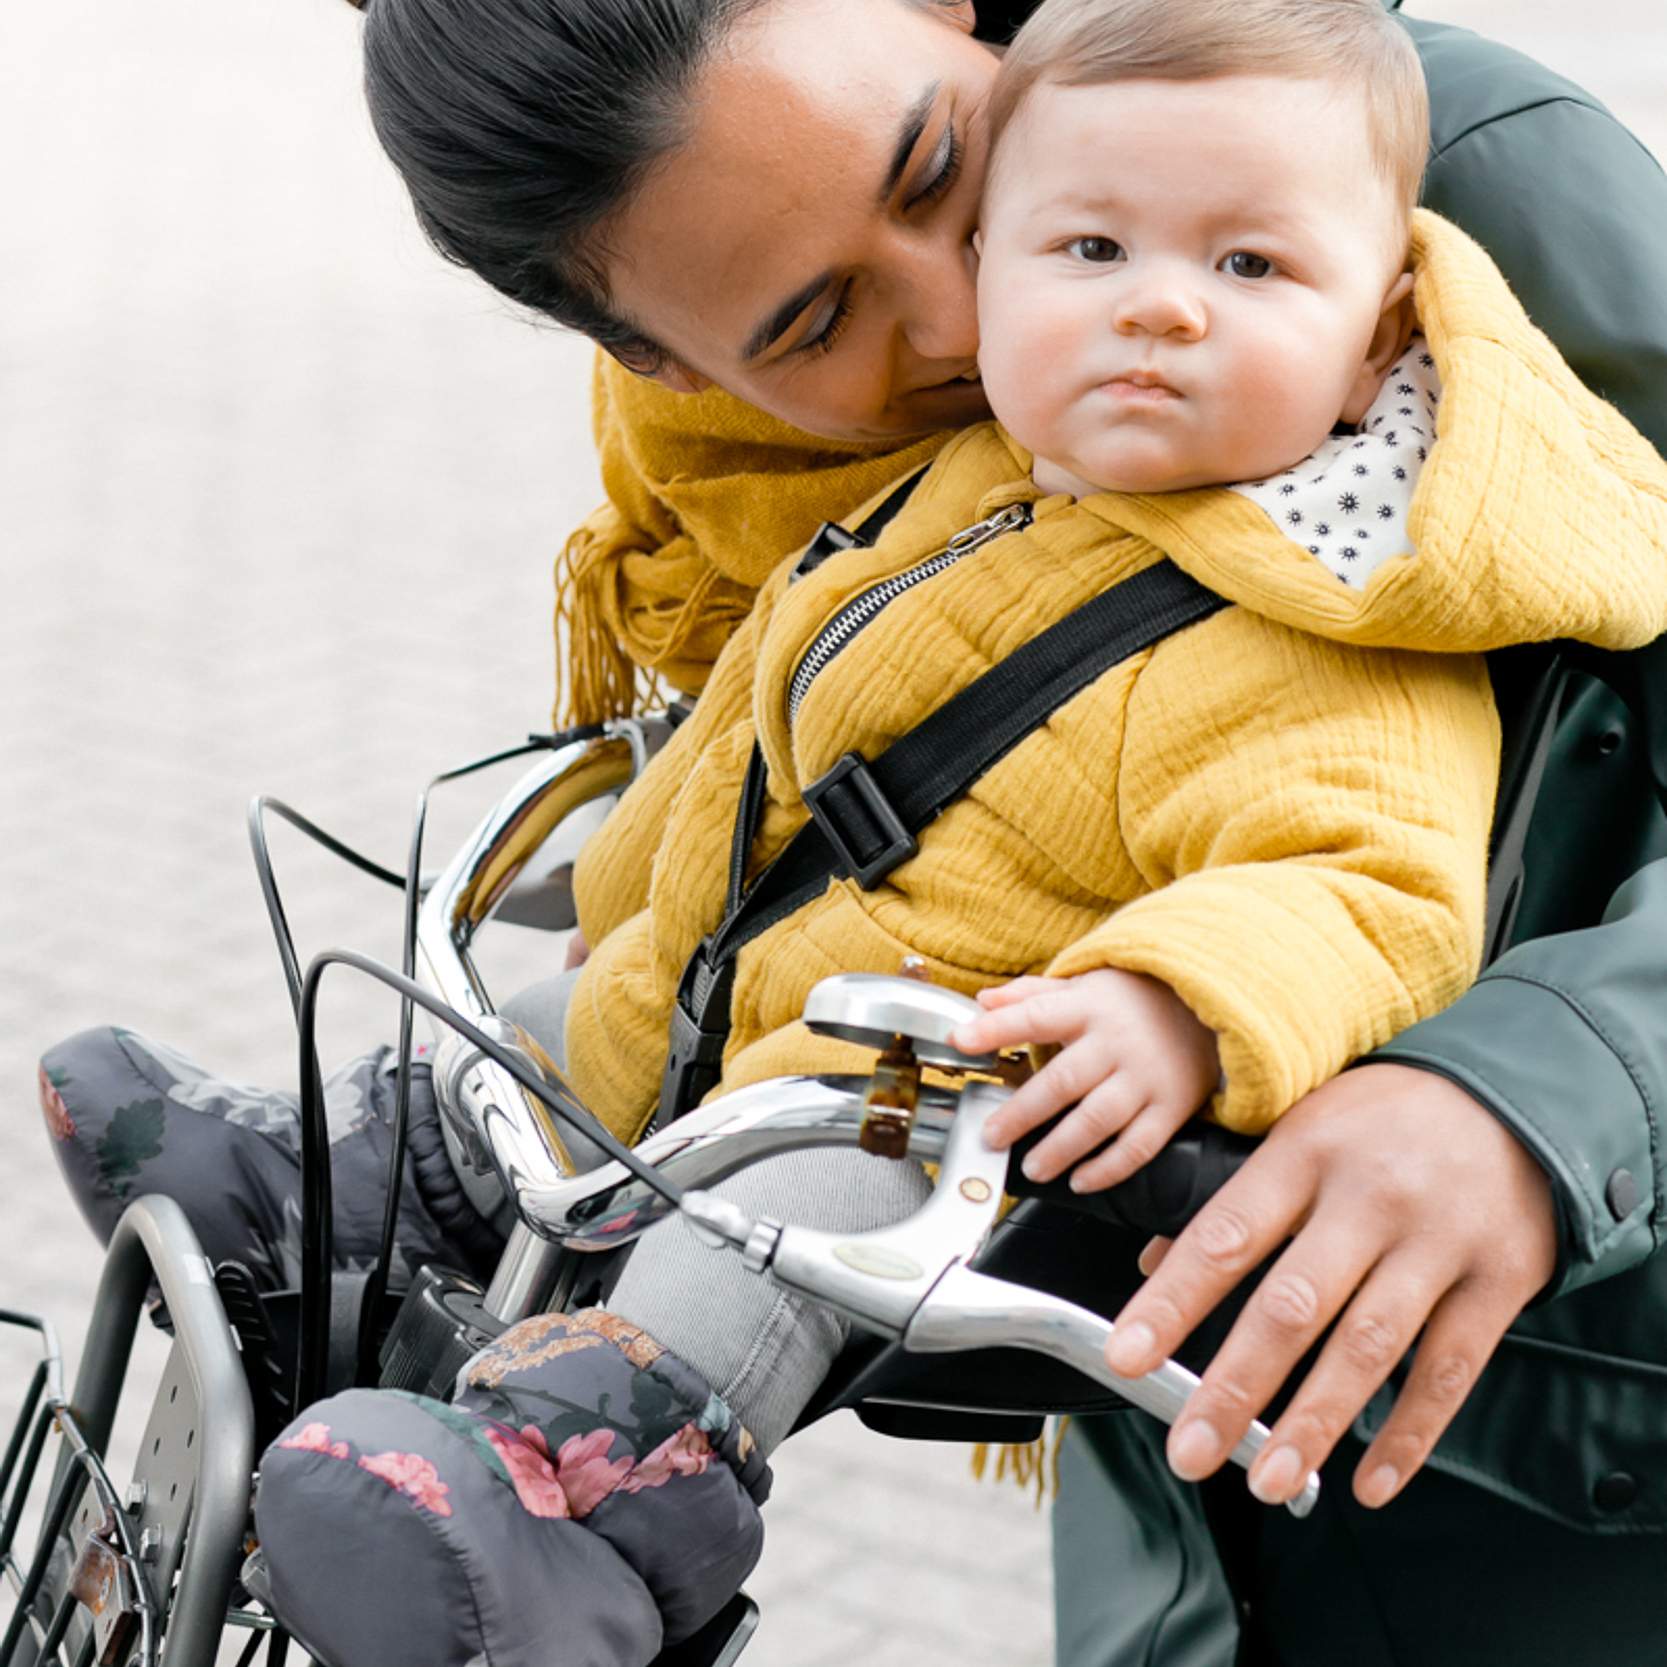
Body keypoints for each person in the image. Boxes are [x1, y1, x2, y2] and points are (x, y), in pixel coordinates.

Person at [33, 0, 1667, 1660]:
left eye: (947, 169)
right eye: (818, 320)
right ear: (665, 362)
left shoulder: (1397, 166)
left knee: (798, 1206)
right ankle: (341, 1203)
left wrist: (1531, 1096)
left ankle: (590, 1501)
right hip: (1171, 1428)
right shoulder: (852, 466)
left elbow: (1355, 836)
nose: (986, 309)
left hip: (1560, 1426)